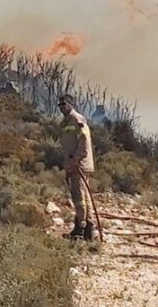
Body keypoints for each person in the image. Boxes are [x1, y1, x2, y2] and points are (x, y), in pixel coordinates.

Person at [58, 94, 95, 240]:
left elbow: (84, 143)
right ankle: (88, 229)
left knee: (80, 197)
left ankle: (82, 227)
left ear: (71, 104)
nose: (62, 107)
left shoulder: (77, 120)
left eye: (64, 104)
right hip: (72, 165)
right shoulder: (65, 123)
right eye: (60, 105)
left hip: (79, 165)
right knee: (83, 196)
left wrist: (76, 160)